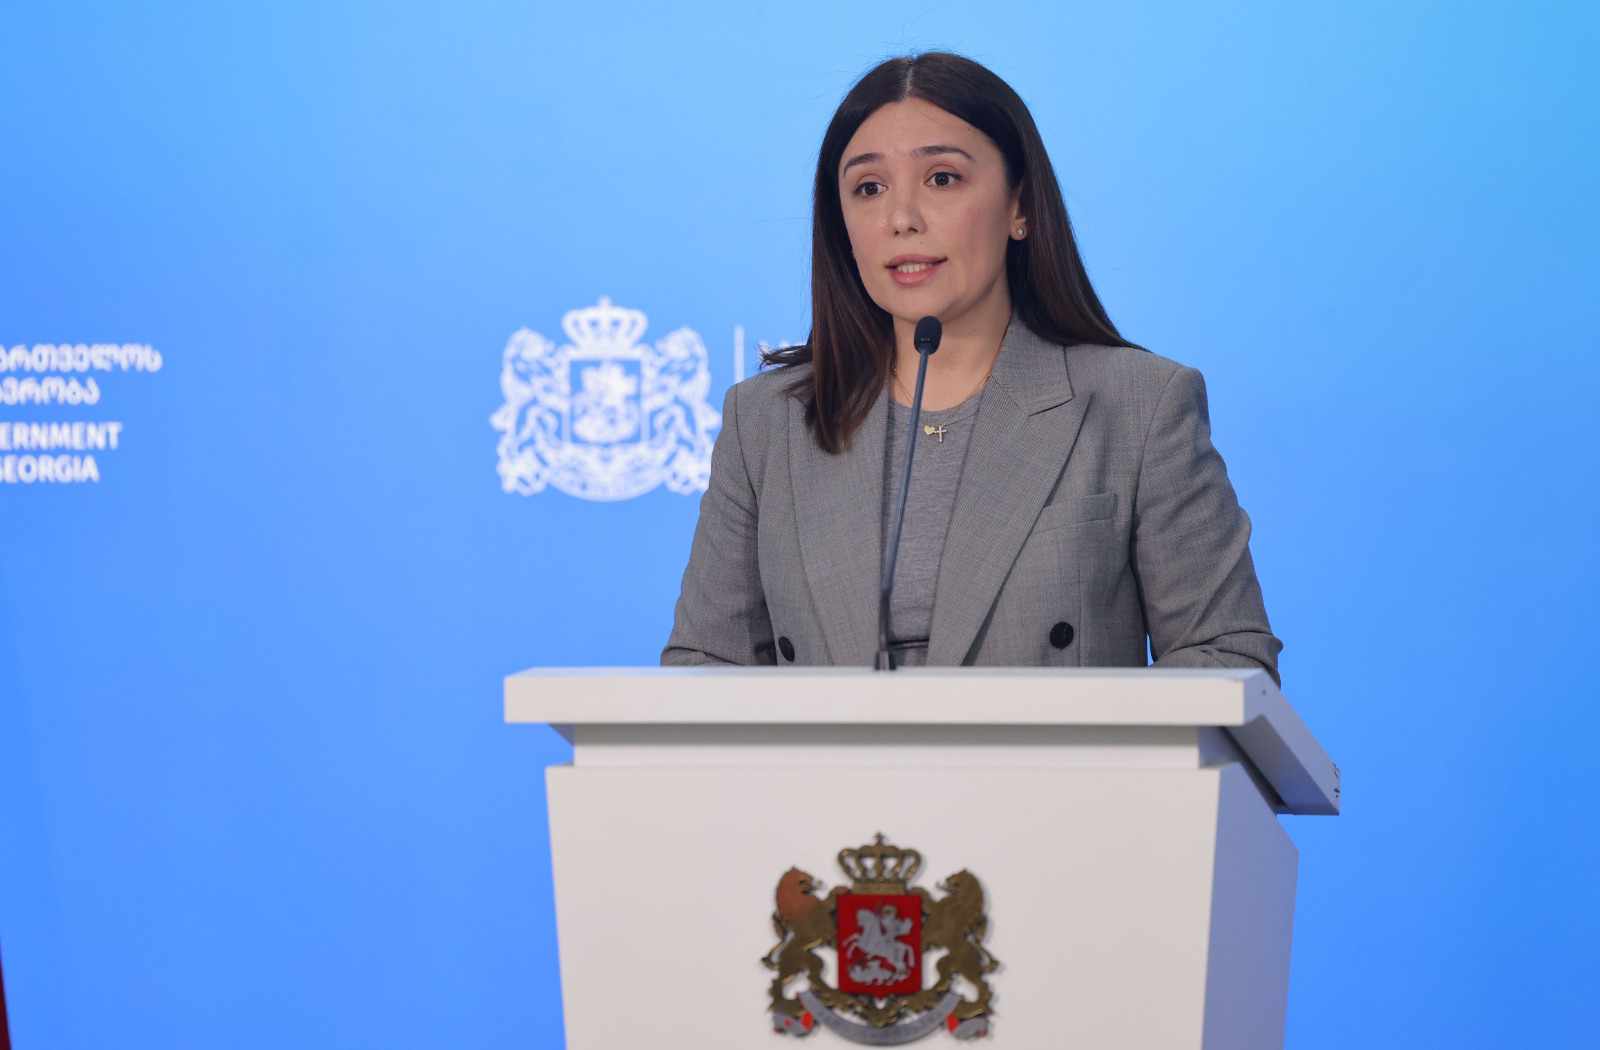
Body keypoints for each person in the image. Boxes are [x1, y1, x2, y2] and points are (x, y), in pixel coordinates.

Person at [660, 51, 1283, 685]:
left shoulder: (1139, 405)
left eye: (942, 178)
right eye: (869, 188)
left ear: (1020, 206)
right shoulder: (767, 423)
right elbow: (704, 672)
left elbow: (1225, 659)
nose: (901, 219)